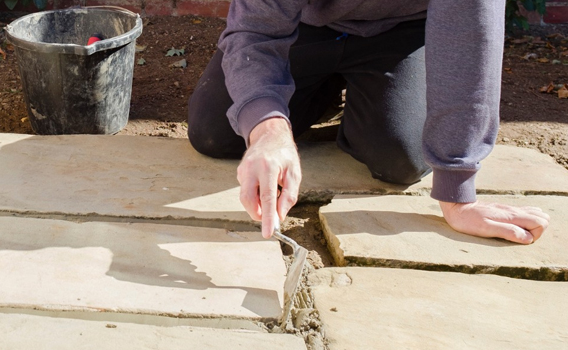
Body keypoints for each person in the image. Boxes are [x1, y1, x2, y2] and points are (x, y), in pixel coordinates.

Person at [187, 0, 550, 244]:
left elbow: (469, 34)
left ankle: (362, 102)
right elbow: (255, 30)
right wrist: (268, 128)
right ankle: (320, 93)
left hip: (406, 31)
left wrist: (458, 189)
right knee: (216, 132)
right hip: (304, 27)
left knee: (402, 157)